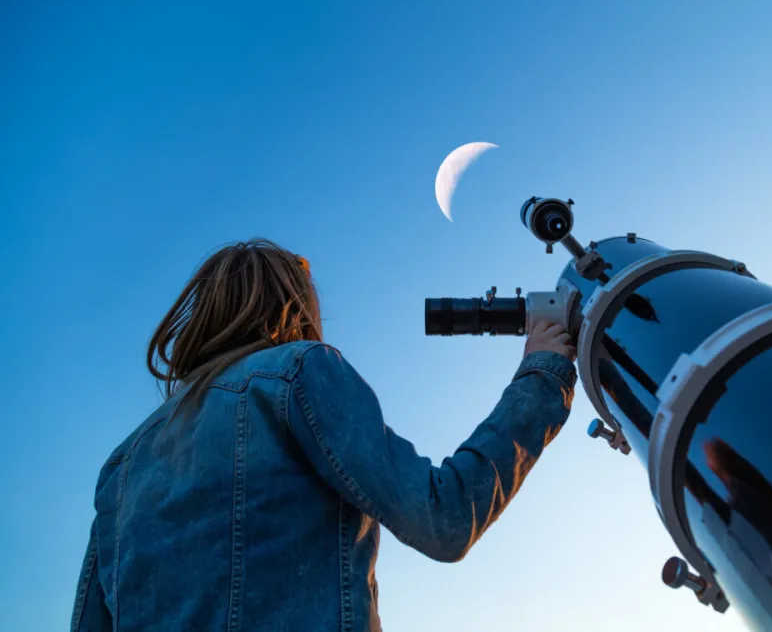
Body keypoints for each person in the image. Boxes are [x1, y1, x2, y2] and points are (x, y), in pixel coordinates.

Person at [70, 239, 577, 632]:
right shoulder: (298, 372)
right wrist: (543, 370)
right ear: (292, 306)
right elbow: (444, 517)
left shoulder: (123, 463)